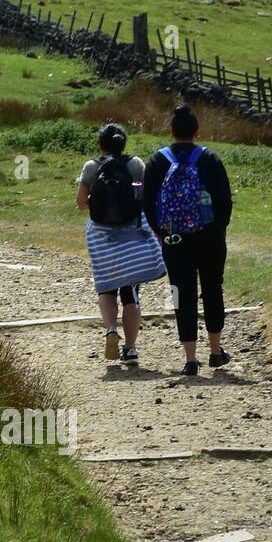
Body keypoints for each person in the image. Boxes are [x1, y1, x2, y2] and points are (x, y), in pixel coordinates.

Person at [141, 104, 233, 377]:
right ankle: (216, 352)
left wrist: (161, 232)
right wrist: (217, 229)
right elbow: (225, 202)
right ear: (197, 131)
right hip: (209, 237)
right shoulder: (210, 159)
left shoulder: (158, 161)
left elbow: (147, 202)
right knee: (212, 289)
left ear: (172, 131)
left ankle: (190, 358)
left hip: (174, 238)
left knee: (181, 293)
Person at [77, 121, 166, 367]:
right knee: (131, 294)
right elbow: (147, 198)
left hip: (101, 237)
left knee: (105, 287)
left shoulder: (91, 167)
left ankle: (110, 330)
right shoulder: (136, 165)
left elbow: (81, 202)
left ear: (100, 144)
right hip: (132, 236)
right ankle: (131, 349)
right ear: (123, 142)